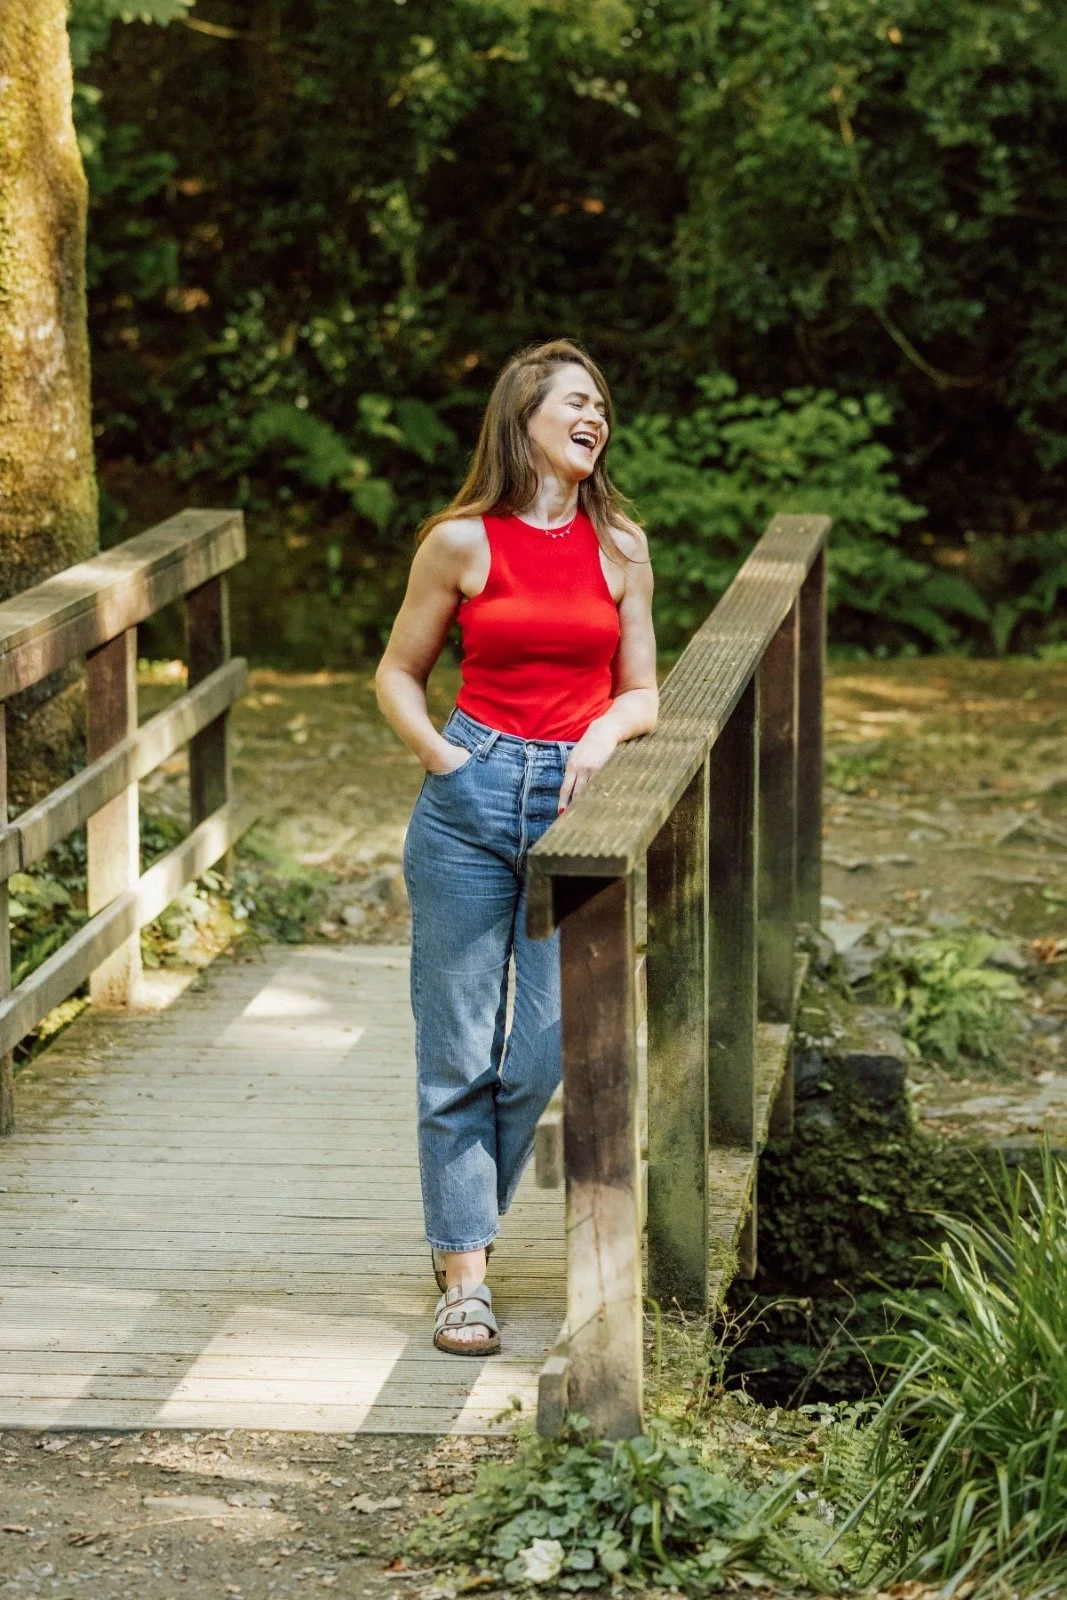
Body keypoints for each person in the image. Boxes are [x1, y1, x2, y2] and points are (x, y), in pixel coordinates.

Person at [375, 340, 658, 1356]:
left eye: (602, 405)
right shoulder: (460, 541)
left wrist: (598, 735)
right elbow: (397, 671)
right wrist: (440, 755)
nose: (595, 417)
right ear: (524, 415)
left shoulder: (621, 545)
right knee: (454, 1053)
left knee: (537, 1054)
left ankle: (462, 1226)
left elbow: (643, 692)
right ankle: (464, 1278)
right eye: (576, 401)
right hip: (466, 800)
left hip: (571, 810)